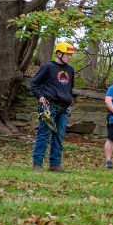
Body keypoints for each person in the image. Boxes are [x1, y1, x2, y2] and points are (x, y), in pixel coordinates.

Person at [30, 41, 76, 173]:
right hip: (50, 106)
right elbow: (34, 83)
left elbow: (69, 88)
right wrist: (40, 96)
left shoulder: (70, 70)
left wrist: (69, 102)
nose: (69, 57)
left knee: (59, 136)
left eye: (70, 54)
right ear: (59, 53)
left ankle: (55, 165)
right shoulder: (48, 66)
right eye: (67, 54)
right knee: (44, 134)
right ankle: (37, 164)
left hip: (64, 108)